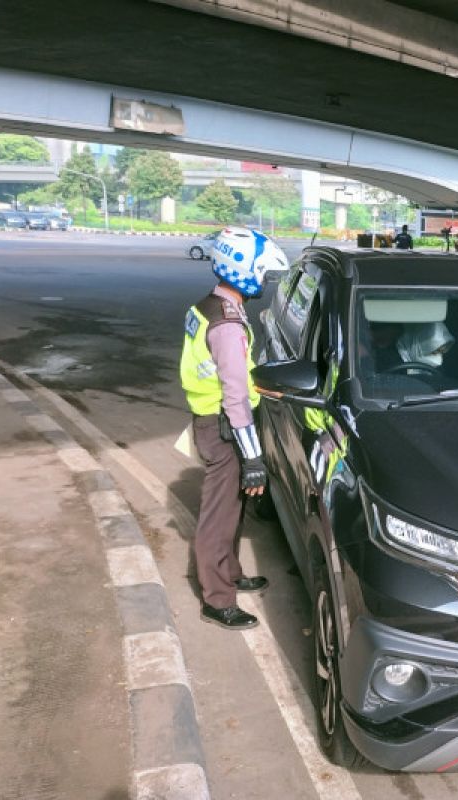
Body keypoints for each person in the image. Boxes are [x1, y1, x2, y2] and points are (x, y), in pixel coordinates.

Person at [180, 226, 289, 630]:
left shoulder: (211, 306)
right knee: (219, 516)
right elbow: (234, 396)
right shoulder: (226, 325)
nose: (264, 280)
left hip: (215, 421)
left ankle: (231, 573)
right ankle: (217, 598)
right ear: (243, 270)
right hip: (224, 426)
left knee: (234, 507)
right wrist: (253, 455)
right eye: (262, 272)